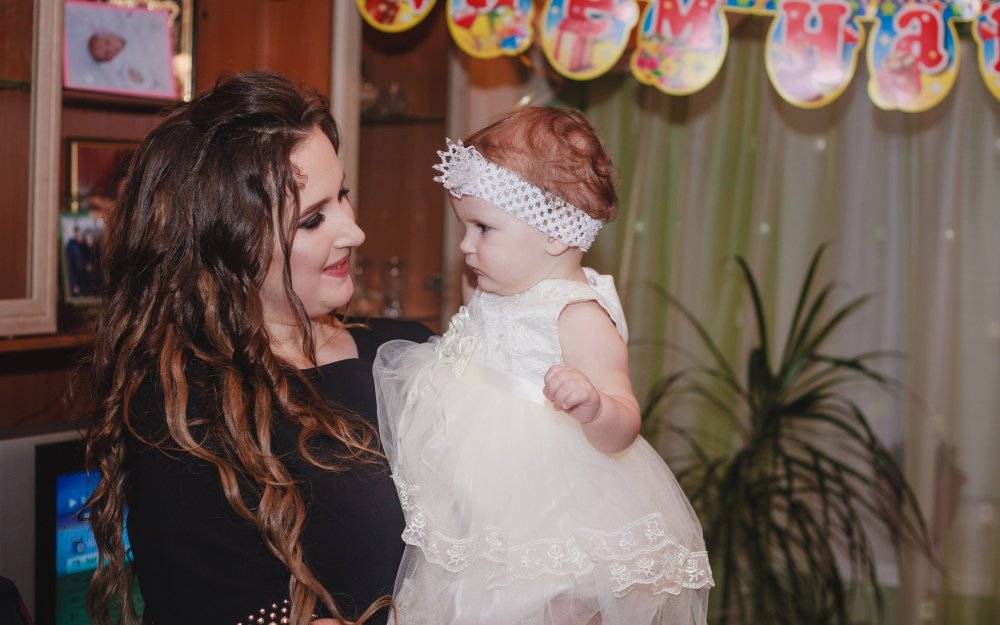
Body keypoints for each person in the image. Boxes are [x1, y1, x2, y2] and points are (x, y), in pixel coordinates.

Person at [73, 72, 433, 625]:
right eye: (313, 219)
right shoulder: (186, 413)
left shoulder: (405, 349)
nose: (354, 232)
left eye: (343, 195)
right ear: (228, 245)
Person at [374, 106, 714, 624]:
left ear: (555, 232)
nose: (465, 245)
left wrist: (594, 406)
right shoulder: (488, 285)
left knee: (542, 606)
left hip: (546, 511)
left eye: (483, 228)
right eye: (465, 226)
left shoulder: (578, 315)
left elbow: (625, 423)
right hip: (475, 499)